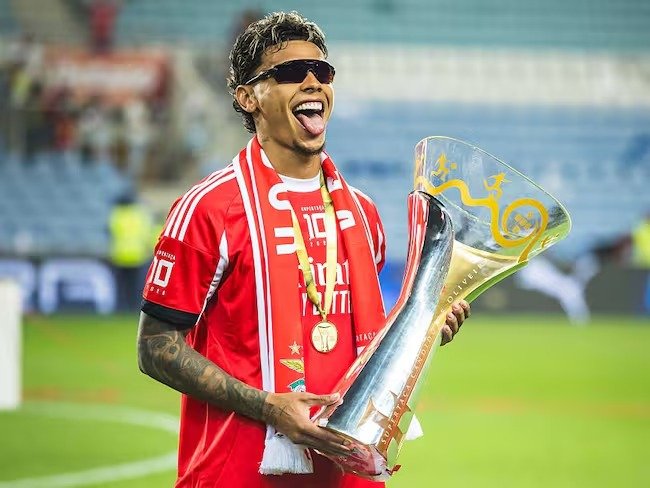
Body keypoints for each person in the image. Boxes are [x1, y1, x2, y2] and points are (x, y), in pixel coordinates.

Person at [136, 11, 470, 488]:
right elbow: (155, 346)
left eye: (323, 71)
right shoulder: (209, 209)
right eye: (292, 72)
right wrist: (267, 406)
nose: (313, 82)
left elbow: (359, 341)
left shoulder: (363, 214)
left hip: (347, 474)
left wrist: (424, 328)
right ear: (248, 97)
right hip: (238, 473)